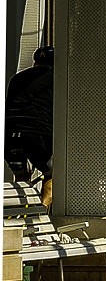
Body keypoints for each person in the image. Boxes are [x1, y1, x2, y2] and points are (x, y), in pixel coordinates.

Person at [5, 45, 54, 207]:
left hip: (9, 135)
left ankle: (19, 214)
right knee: (53, 174)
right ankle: (40, 212)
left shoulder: (17, 78)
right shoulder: (56, 79)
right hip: (37, 134)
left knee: (21, 177)